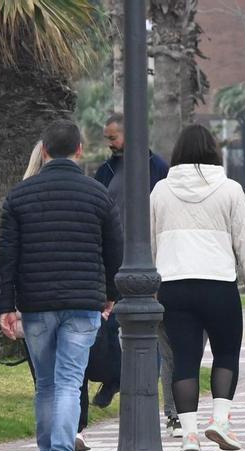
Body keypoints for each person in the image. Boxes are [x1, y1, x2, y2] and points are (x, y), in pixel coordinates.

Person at [0, 120, 123, 451]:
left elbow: (7, 258)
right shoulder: (97, 194)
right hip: (84, 302)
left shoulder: (19, 197)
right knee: (70, 382)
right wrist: (110, 295)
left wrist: (6, 306)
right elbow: (114, 251)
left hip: (36, 304)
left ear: (44, 150)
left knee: (47, 385)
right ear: (80, 150)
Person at [150, 124, 245, 451]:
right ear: (214, 152)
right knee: (226, 351)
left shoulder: (160, 191)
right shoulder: (230, 189)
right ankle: (219, 420)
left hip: (173, 284)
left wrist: (151, 285)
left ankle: (188, 434)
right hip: (218, 282)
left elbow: (149, 240)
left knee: (184, 357)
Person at [92, 113, 169, 412]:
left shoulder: (158, 168)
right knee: (110, 323)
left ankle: (148, 388)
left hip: (149, 259)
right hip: (113, 259)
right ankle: (114, 376)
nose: (109, 144)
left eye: (113, 137)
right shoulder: (106, 170)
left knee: (151, 325)